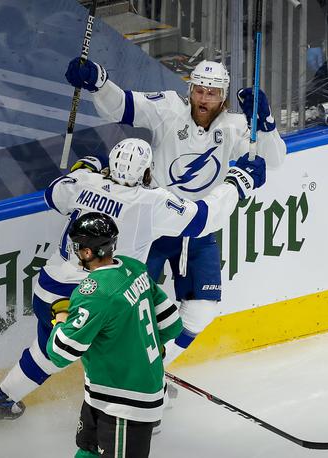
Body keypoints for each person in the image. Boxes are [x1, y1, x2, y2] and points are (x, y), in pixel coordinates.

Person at [0, 138, 266, 425]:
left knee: (47, 352)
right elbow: (203, 219)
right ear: (148, 172)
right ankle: (138, 405)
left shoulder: (84, 182)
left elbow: (53, 194)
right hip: (99, 298)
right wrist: (238, 183)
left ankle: (0, 401)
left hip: (50, 290)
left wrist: (83, 168)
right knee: (124, 349)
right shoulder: (150, 201)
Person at [65, 57, 287, 368]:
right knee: (126, 306)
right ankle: (109, 371)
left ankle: (155, 367)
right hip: (153, 223)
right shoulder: (168, 108)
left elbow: (274, 160)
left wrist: (265, 123)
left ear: (223, 96)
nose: (203, 99)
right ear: (190, 90)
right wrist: (99, 83)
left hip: (196, 228)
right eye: (198, 90)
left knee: (203, 309)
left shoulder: (236, 127)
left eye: (211, 93)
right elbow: (123, 106)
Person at [47, 211, 182, 458]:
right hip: (103, 392)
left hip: (125, 403)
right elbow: (172, 324)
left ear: (88, 252)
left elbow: (60, 352)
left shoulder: (94, 294)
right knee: (87, 450)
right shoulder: (135, 268)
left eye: (78, 246)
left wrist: (61, 319)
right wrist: (147, 352)